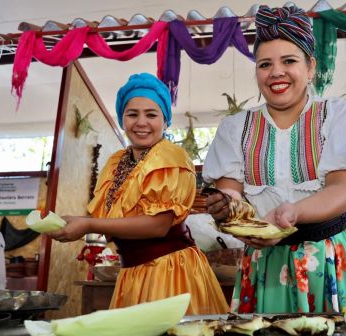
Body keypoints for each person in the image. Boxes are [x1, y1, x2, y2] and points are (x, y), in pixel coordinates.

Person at [203, 4, 346, 314]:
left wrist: (293, 213)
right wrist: (228, 211)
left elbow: (341, 190)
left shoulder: (339, 116)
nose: (276, 72)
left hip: (328, 256)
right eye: (264, 64)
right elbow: (230, 191)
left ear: (310, 67)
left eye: (289, 61)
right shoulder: (235, 128)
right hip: (265, 262)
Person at [49, 72, 229, 315]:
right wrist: (77, 223)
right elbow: (113, 222)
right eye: (132, 114)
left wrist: (87, 224)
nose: (141, 122)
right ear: (123, 120)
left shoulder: (171, 157)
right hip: (132, 272)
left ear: (165, 122)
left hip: (169, 272)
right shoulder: (116, 163)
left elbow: (158, 226)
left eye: (151, 114)